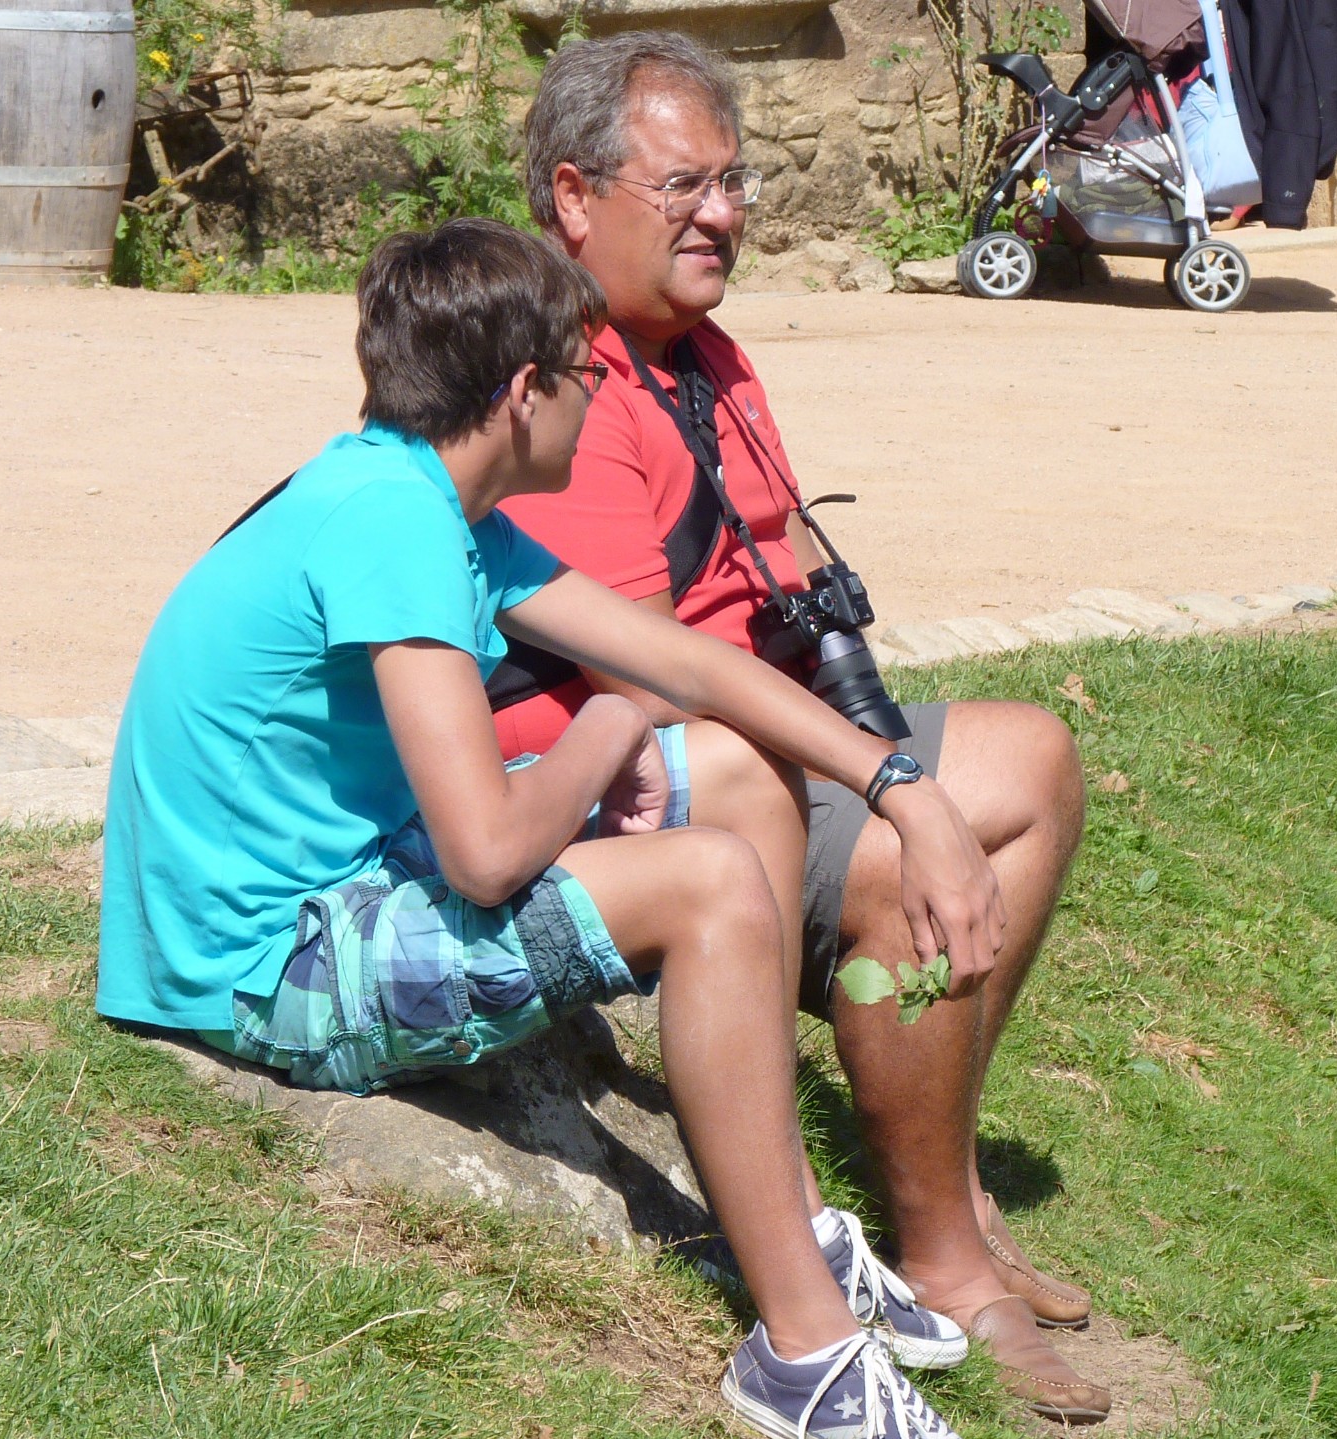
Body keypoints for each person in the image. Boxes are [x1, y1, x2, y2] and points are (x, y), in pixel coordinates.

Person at [95, 217, 1001, 1439]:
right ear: (526, 391)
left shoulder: (427, 497)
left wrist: (902, 786)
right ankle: (801, 1353)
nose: (600, 398)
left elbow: (687, 663)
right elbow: (486, 853)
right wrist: (609, 725)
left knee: (738, 770)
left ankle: (785, 1216)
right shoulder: (392, 524)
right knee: (711, 882)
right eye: (588, 375)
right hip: (260, 962)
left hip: (341, 869)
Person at [494, 32, 1106, 1424]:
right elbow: (662, 682)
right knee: (902, 856)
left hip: (765, 738)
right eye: (684, 185)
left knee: (1034, 760)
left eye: (735, 181)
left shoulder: (704, 354)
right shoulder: (559, 372)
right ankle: (940, 1255)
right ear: (575, 196)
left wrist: (893, 752)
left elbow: (787, 584)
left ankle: (944, 1186)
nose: (723, 213)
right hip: (640, 782)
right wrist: (899, 791)